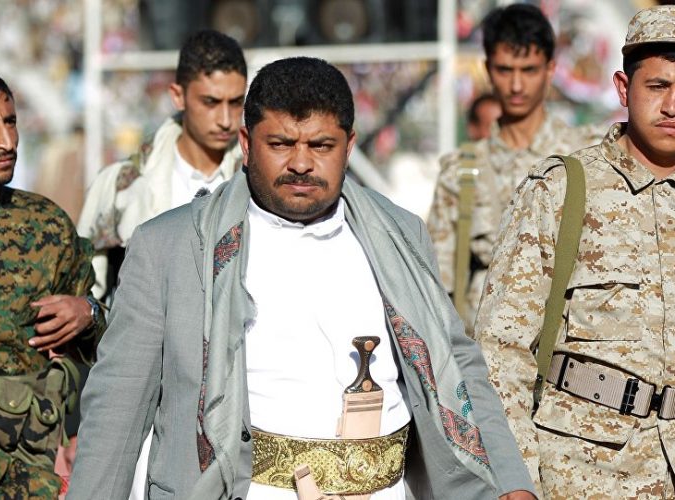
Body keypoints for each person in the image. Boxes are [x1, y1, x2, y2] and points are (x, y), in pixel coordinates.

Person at [67, 57, 536, 499]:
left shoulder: (401, 234)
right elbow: (118, 408)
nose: (300, 164)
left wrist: (511, 480)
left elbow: (456, 363)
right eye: (280, 144)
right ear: (246, 144)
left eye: (321, 146)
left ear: (349, 146)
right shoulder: (172, 246)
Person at [475, 5, 675, 498]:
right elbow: (501, 349)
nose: (674, 106)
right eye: (657, 86)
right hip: (587, 474)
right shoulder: (561, 190)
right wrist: (516, 481)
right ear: (623, 88)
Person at [0, 65, 104, 497]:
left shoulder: (46, 225)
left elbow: (106, 343)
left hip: (31, 474)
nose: (7, 141)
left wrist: (88, 313)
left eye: (10, 122)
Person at [427, 3, 603, 330]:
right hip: (485, 344)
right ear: (487, 69)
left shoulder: (590, 156)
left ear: (550, 69)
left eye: (529, 70)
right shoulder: (461, 172)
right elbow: (438, 288)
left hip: (569, 344)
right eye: (505, 70)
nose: (517, 85)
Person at [77, 29, 247, 301]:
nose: (226, 120)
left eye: (236, 102)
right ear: (178, 96)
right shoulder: (121, 186)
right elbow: (85, 292)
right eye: (211, 102)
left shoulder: (258, 181)